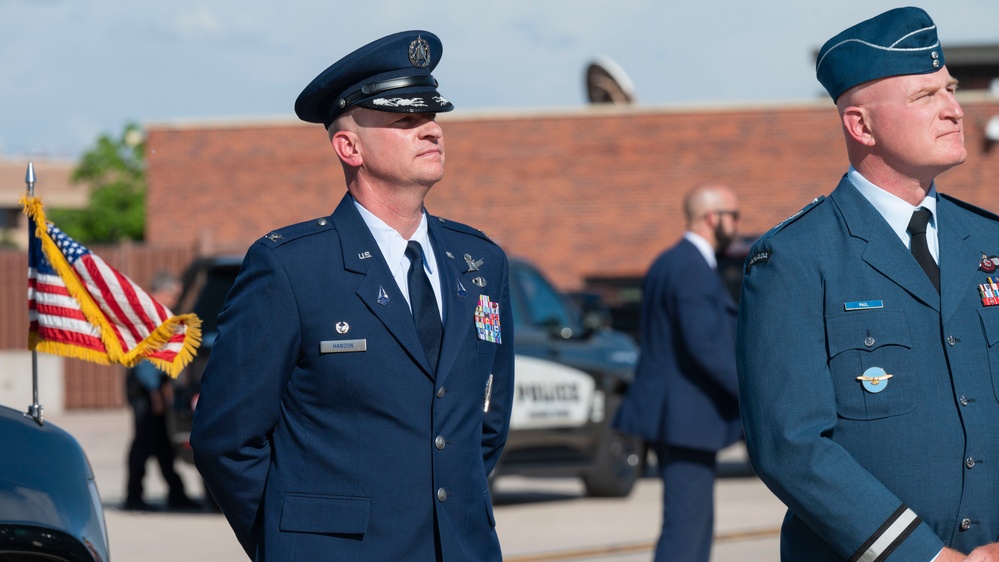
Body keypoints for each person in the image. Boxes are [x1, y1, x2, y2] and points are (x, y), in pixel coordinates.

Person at [189, 30, 514, 562]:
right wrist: (291, 541)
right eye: (406, 120)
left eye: (432, 116)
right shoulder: (292, 266)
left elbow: (485, 424)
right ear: (349, 146)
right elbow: (226, 438)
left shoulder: (480, 262)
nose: (431, 129)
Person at [737, 7, 999, 562]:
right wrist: (923, 556)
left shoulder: (987, 242)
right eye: (925, 96)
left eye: (949, 89)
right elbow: (792, 446)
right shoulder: (795, 258)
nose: (955, 109)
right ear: (861, 125)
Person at [613, 184, 742, 562]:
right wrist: (752, 391)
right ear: (711, 217)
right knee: (686, 533)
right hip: (686, 418)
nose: (737, 224)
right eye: (733, 216)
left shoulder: (671, 261)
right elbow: (704, 344)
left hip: (681, 416)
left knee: (692, 526)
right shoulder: (690, 266)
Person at [123, 271, 198, 512]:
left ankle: (176, 494)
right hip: (147, 393)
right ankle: (134, 496)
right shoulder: (150, 317)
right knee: (145, 444)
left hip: (154, 390)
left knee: (162, 444)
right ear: (162, 293)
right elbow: (145, 362)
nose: (176, 301)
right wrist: (156, 394)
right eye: (174, 295)